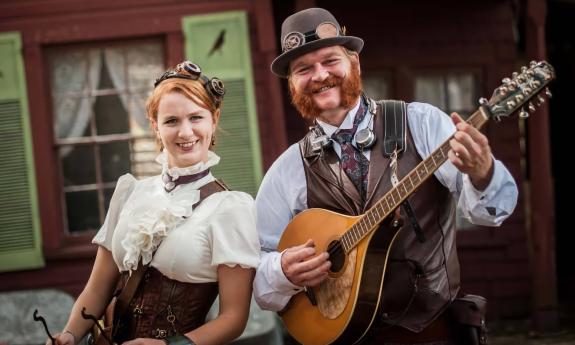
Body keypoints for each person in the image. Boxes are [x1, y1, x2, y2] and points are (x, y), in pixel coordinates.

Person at [253, 7, 518, 345]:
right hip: (340, 337)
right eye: (304, 69)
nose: (319, 75)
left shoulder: (419, 123)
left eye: (330, 61)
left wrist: (482, 174)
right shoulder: (287, 169)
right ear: (293, 84)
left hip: (431, 333)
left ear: (355, 64)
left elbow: (487, 213)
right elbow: (258, 272)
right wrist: (283, 271)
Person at [47, 61, 260, 345]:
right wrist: (70, 334)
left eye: (196, 117)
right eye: (171, 121)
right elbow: (97, 289)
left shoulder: (230, 208)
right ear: (155, 127)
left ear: (215, 119)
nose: (185, 132)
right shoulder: (131, 193)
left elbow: (234, 319)